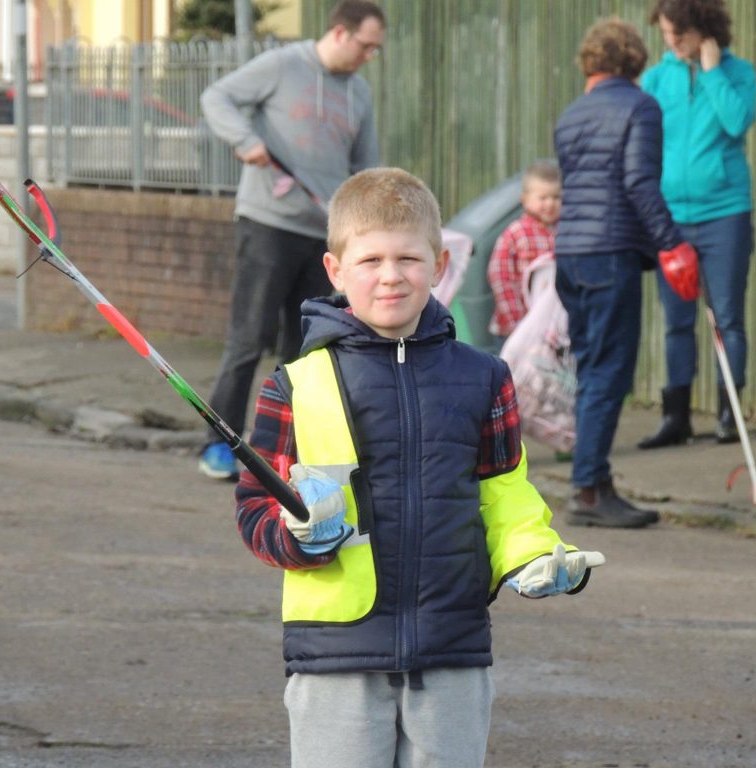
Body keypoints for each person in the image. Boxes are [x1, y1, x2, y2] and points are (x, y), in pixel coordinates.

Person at [235, 167, 605, 768]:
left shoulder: (485, 377)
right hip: (336, 655)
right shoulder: (295, 385)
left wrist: (534, 554)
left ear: (438, 264)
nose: (390, 275)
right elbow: (256, 506)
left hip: (451, 649)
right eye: (370, 260)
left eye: (408, 258)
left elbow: (503, 492)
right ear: (335, 270)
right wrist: (295, 535)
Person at [197, 0, 386, 480]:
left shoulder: (360, 92)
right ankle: (219, 444)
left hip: (321, 235)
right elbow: (217, 97)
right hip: (268, 223)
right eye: (366, 46)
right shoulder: (282, 65)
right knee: (249, 339)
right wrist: (245, 141)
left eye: (376, 50)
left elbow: (364, 165)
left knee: (306, 351)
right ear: (340, 33)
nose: (369, 56)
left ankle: (283, 452)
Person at [553, 17, 699, 528]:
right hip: (609, 253)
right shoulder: (641, 106)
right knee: (608, 372)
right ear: (634, 60)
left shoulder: (570, 115)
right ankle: (588, 490)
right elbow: (639, 182)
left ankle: (593, 479)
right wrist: (672, 243)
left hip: (569, 254)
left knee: (591, 369)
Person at [638, 0, 756, 449]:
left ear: (703, 30)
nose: (670, 41)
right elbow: (644, 140)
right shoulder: (656, 79)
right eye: (666, 33)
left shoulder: (738, 73)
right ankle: (677, 417)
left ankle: (729, 416)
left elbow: (737, 122)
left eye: (678, 33)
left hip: (725, 212)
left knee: (727, 316)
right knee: (677, 320)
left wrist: (711, 73)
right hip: (670, 218)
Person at [487, 160, 562, 347]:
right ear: (525, 199)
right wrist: (517, 322)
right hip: (517, 328)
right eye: (543, 198)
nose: (550, 203)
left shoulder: (564, 233)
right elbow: (500, 276)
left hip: (552, 330)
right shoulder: (516, 233)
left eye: (556, 197)